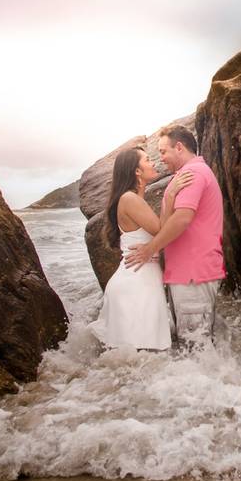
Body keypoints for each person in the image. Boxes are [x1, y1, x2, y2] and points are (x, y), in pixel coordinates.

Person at [124, 125, 225, 344]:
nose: (161, 159)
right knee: (197, 346)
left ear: (179, 147)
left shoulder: (192, 174)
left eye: (162, 151)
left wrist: (150, 248)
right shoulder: (189, 174)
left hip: (192, 274)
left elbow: (182, 218)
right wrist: (169, 194)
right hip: (191, 273)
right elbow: (169, 222)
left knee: (195, 348)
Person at [88, 146, 193, 350]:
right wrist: (170, 193)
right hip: (136, 285)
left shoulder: (133, 199)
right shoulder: (129, 199)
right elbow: (163, 230)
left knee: (138, 360)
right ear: (136, 171)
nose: (153, 162)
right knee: (141, 358)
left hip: (139, 281)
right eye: (147, 160)